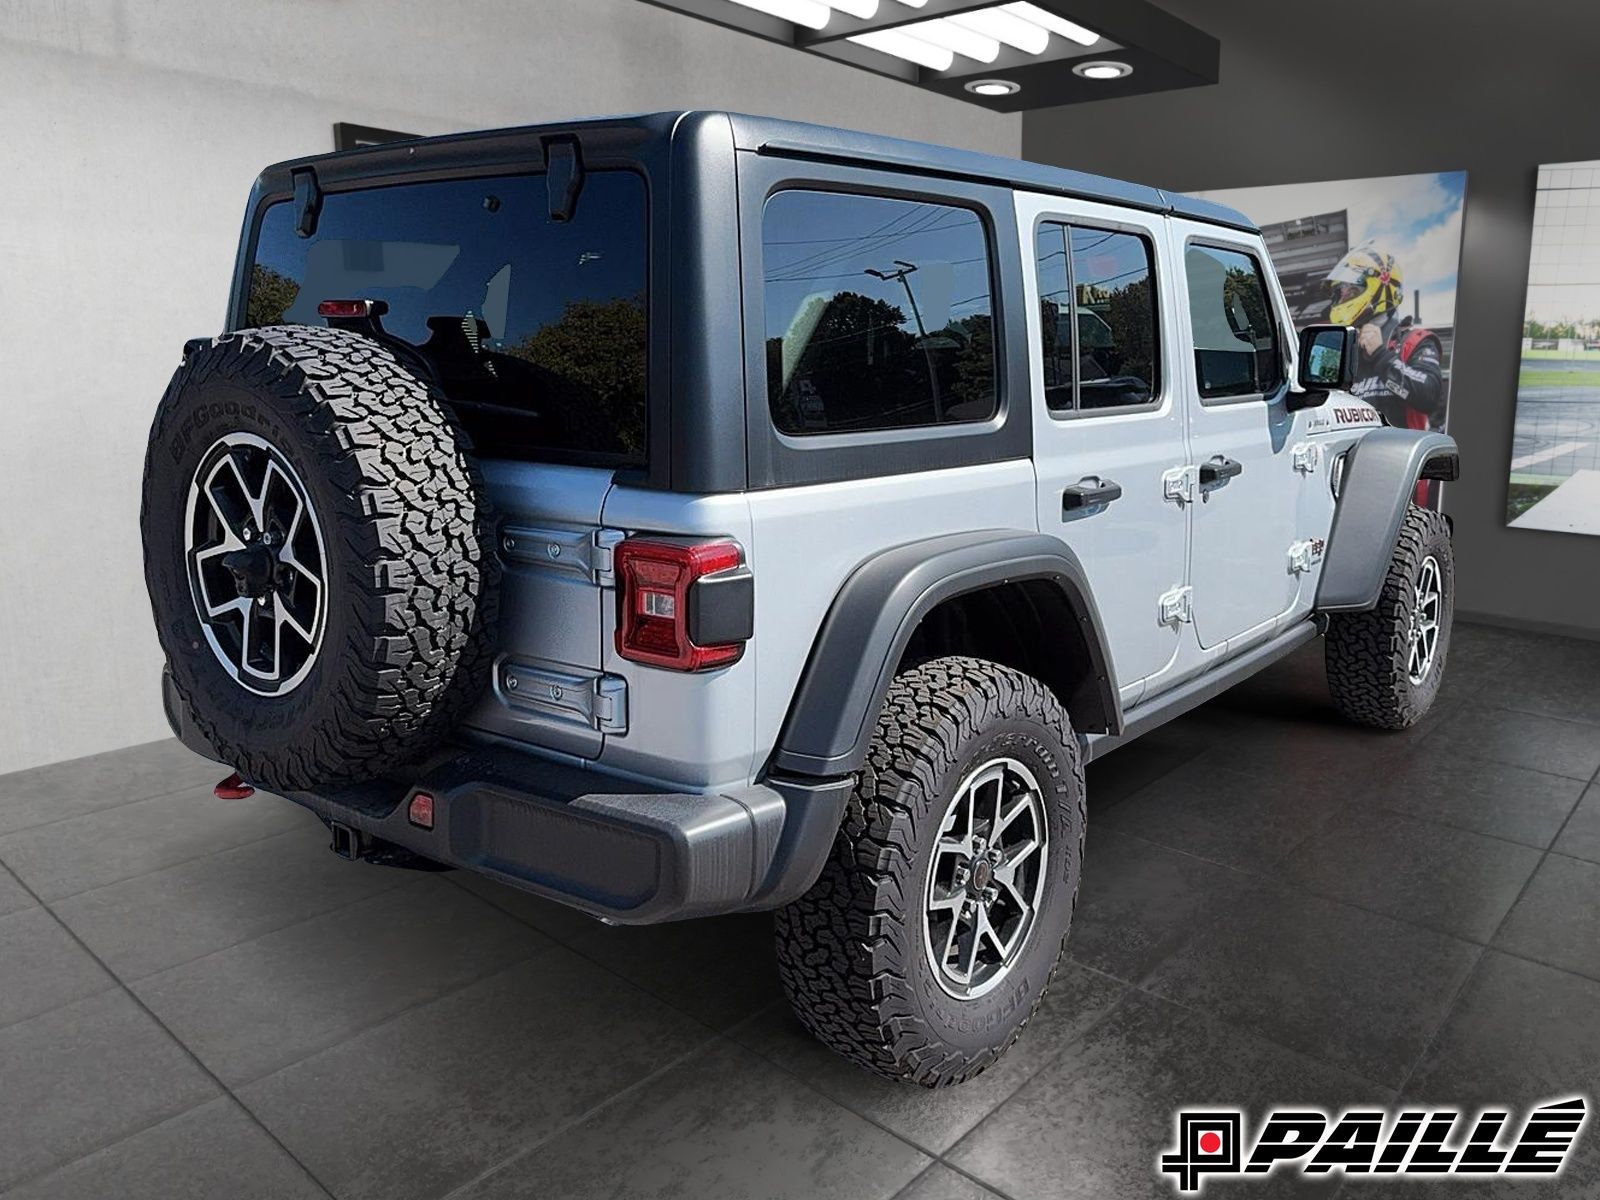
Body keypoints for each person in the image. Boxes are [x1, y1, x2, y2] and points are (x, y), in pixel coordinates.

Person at [1324, 241, 1447, 503]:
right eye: (1340, 291)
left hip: (1403, 483)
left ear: (1379, 289)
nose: (1342, 296)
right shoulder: (1342, 350)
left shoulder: (1414, 342)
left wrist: (1381, 356)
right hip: (1347, 480)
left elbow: (1429, 394)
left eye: (1350, 289)